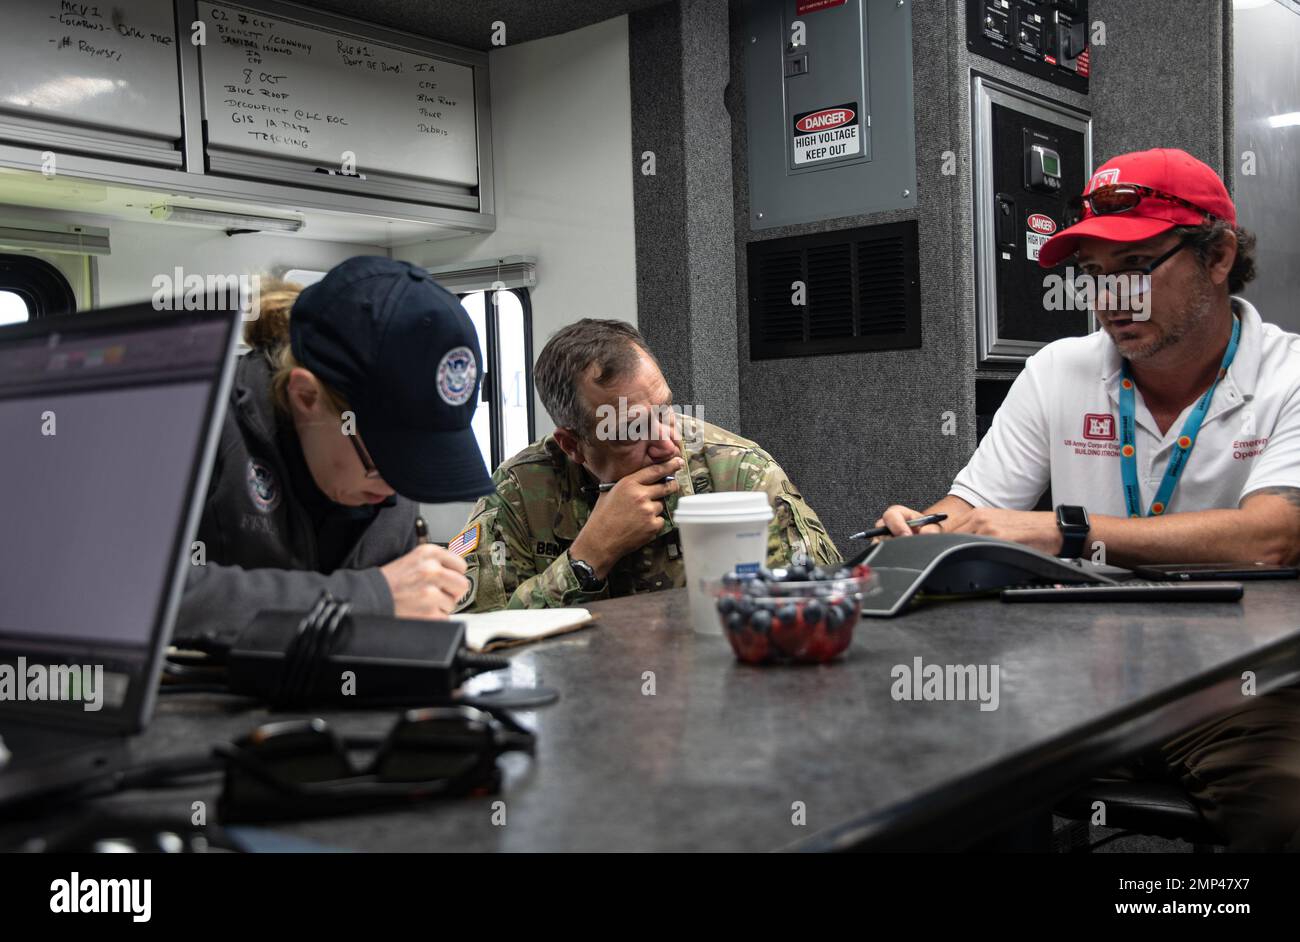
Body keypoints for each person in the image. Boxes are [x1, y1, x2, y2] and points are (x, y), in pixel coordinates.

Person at [877, 148, 1300, 850]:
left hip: (1239, 686)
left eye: (1137, 269)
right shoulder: (1057, 371)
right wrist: (926, 531)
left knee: (1281, 808)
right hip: (1076, 671)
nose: (1109, 302)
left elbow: (1270, 538)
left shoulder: (1289, 377)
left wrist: (1061, 531)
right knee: (930, 755)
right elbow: (973, 506)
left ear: (1218, 256)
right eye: (1095, 276)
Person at [175, 257, 494, 648]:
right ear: (305, 397)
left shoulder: (383, 465)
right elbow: (145, 594)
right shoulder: (195, 420)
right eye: (383, 462)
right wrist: (370, 598)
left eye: (415, 463)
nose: (396, 489)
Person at [452, 318, 840, 611]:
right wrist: (587, 559)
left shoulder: (738, 473)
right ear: (573, 445)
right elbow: (479, 638)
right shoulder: (520, 491)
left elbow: (817, 607)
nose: (666, 442)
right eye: (632, 430)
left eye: (665, 411)